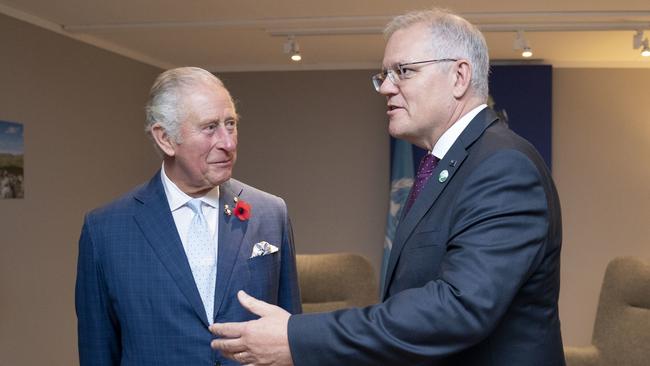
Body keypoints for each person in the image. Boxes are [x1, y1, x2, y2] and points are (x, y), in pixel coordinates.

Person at [210, 8, 565, 366]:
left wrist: (297, 338)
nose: (386, 87)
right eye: (384, 74)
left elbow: (458, 308)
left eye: (404, 71)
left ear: (459, 76)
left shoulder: (502, 166)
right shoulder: (449, 164)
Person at [75, 67, 302, 366]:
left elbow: (290, 335)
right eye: (210, 127)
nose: (228, 143)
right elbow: (98, 352)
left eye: (230, 124)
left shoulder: (271, 213)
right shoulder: (105, 230)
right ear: (165, 138)